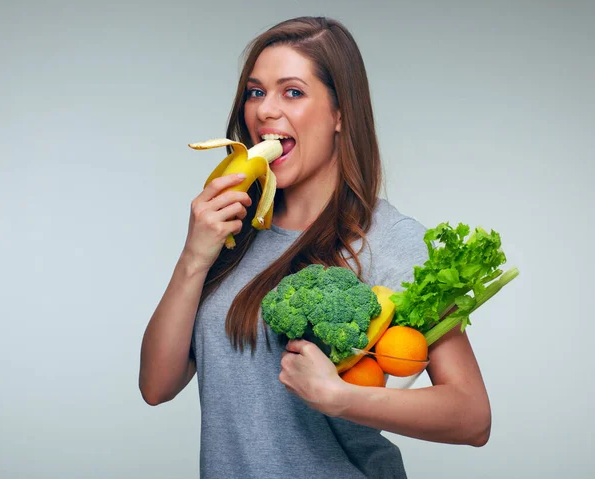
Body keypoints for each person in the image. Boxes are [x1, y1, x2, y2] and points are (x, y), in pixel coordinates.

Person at [139, 16, 491, 479]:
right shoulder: (234, 230)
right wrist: (193, 257)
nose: (265, 110)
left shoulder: (385, 240)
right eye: (256, 91)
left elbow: (471, 416)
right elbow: (157, 386)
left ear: (340, 113)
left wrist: (343, 399)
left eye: (293, 92)